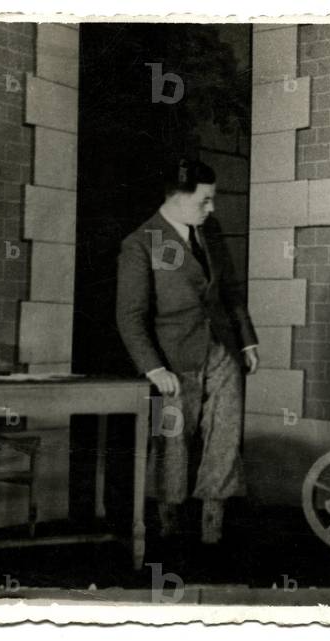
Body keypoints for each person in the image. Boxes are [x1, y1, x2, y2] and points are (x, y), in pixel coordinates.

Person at [116, 157, 259, 545]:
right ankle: (168, 527)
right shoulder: (140, 243)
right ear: (178, 198)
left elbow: (229, 288)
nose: (212, 208)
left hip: (221, 351)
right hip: (173, 360)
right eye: (205, 201)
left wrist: (247, 340)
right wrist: (153, 369)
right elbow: (129, 317)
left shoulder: (208, 232)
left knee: (225, 435)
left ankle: (214, 520)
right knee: (172, 442)